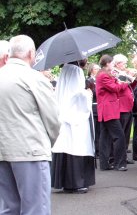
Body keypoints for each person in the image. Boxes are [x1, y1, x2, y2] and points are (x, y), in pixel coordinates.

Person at [0, 35, 60, 214]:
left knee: (9, 208)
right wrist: (49, 144)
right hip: (31, 150)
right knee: (36, 208)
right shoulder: (34, 78)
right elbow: (53, 119)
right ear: (31, 53)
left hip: (3, 151)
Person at [51, 62, 95, 193]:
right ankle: (77, 182)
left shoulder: (65, 69)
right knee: (76, 147)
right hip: (75, 116)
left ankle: (65, 182)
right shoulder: (76, 70)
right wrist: (87, 93)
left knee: (66, 146)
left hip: (64, 113)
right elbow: (77, 93)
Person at [96, 55, 129, 171]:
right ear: (107, 63)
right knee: (119, 136)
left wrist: (116, 78)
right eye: (112, 63)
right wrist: (125, 82)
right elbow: (115, 88)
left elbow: (113, 84)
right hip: (109, 109)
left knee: (105, 138)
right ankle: (119, 163)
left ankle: (104, 164)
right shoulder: (103, 75)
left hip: (107, 109)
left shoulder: (103, 74)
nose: (113, 65)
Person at [113, 54, 135, 164]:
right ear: (117, 63)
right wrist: (128, 77)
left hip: (128, 107)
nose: (126, 65)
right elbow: (121, 86)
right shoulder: (115, 73)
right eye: (124, 63)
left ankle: (124, 155)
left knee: (126, 134)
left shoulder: (122, 73)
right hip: (121, 107)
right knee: (121, 134)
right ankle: (118, 157)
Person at [86, 63, 100, 158]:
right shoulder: (89, 81)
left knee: (100, 131)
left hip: (99, 109)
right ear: (91, 70)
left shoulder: (98, 80)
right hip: (93, 108)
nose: (98, 70)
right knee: (95, 131)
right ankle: (95, 150)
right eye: (96, 69)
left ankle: (99, 150)